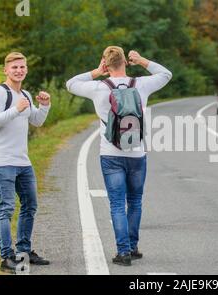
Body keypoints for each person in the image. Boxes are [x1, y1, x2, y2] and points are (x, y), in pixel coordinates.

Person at [66, 46, 172, 266]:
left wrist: (96, 72)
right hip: (137, 154)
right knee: (134, 202)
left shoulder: (98, 88)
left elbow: (71, 83)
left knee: (116, 204)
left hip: (111, 154)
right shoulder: (141, 85)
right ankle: (133, 247)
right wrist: (141, 60)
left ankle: (122, 252)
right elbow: (165, 74)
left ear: (106, 64)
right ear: (125, 62)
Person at [0, 52, 51, 273]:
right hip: (2, 159)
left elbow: (37, 121)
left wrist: (44, 106)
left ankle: (24, 252)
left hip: (22, 160)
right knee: (6, 207)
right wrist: (15, 109)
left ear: (26, 69)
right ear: (6, 70)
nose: (19, 70)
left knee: (30, 205)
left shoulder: (25, 94)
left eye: (22, 67)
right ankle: (6, 257)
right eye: (14, 67)